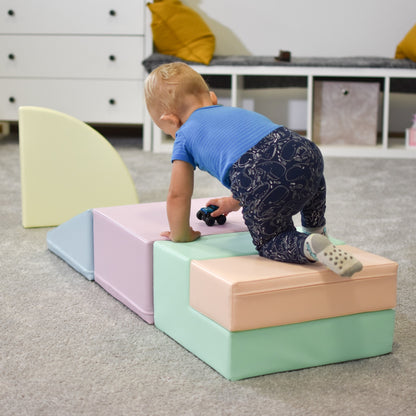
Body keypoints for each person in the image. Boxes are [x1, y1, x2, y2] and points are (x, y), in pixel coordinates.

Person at [144, 62, 363, 277]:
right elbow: (266, 157)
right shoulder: (233, 112)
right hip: (304, 151)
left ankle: (308, 245)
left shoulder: (183, 136)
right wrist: (233, 202)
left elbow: (178, 194)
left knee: (270, 240)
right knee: (311, 179)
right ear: (212, 98)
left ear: (171, 121)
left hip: (263, 181)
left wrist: (181, 234)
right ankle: (316, 228)